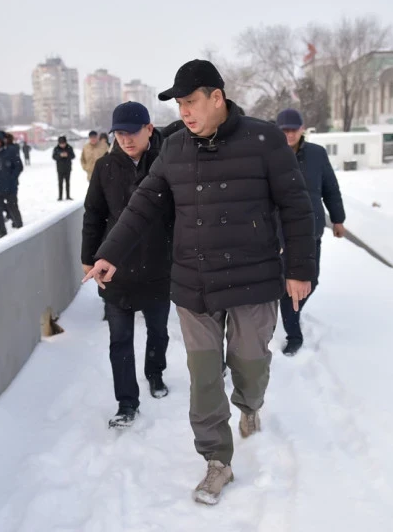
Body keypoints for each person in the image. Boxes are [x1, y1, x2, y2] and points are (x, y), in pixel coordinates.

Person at [84, 59, 315, 505]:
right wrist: (109, 252)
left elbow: (296, 206)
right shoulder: (174, 147)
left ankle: (249, 405)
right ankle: (216, 460)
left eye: (191, 101)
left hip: (253, 280)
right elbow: (143, 204)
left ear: (217, 97)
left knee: (250, 365)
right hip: (196, 283)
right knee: (204, 376)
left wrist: (299, 269)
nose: (184, 112)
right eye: (179, 105)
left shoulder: (265, 140)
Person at [82, 102, 172, 429]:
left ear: (149, 129)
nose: (125, 139)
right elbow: (93, 214)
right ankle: (126, 402)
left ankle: (155, 372)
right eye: (119, 133)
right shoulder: (105, 167)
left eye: (132, 132)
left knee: (158, 330)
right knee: (119, 339)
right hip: (116, 269)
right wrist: (88, 258)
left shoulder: (166, 163)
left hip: (158, 266)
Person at [275, 108, 347, 356]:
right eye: (284, 130)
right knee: (288, 283)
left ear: (302, 129)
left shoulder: (317, 154)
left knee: (310, 280)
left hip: (311, 229)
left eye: (293, 130)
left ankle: (290, 309)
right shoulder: (270, 154)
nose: (289, 135)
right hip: (282, 230)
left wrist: (338, 219)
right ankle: (293, 333)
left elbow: (331, 188)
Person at [52, 135, 75, 200]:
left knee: (68, 183)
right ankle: (60, 196)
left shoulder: (69, 148)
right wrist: (60, 155)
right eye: (61, 143)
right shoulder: (56, 148)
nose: (62, 145)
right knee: (60, 183)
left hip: (68, 168)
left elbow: (73, 156)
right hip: (60, 169)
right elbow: (54, 157)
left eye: (63, 143)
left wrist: (67, 155)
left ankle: (68, 196)